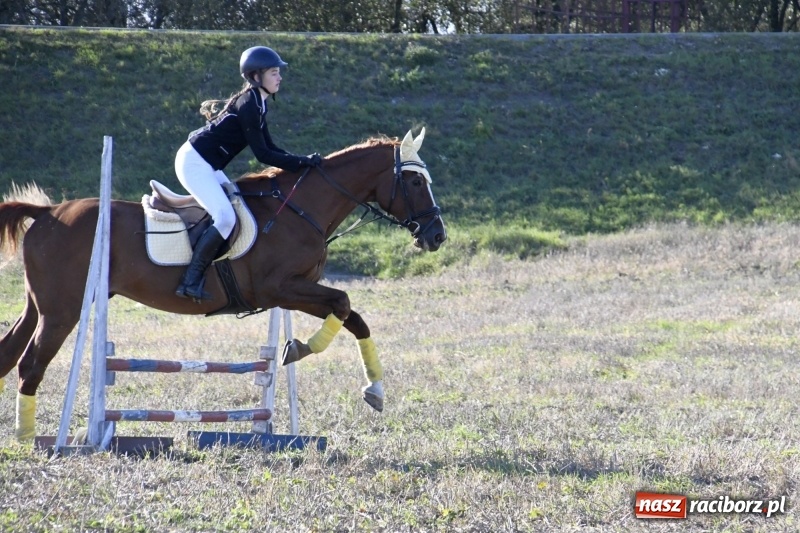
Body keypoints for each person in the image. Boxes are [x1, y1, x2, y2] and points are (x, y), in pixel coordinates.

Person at [173, 46, 321, 301]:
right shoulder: (249, 104)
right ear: (256, 77)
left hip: (208, 165)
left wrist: (302, 161)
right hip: (194, 163)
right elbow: (263, 155)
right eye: (274, 73)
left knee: (237, 205)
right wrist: (301, 163)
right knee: (225, 217)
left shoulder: (258, 104)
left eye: (278, 73)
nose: (279, 77)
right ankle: (190, 280)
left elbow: (271, 147)